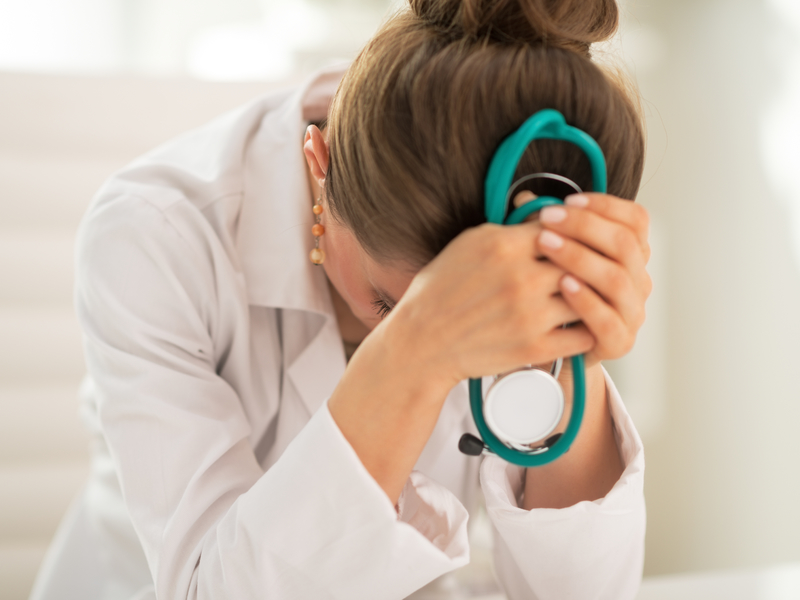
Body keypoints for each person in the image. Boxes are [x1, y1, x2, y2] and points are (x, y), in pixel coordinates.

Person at [30, 0, 651, 598]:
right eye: (387, 303)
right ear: (317, 169)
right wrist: (416, 346)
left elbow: (580, 593)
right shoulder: (155, 233)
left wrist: (573, 338)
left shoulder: (528, 212)